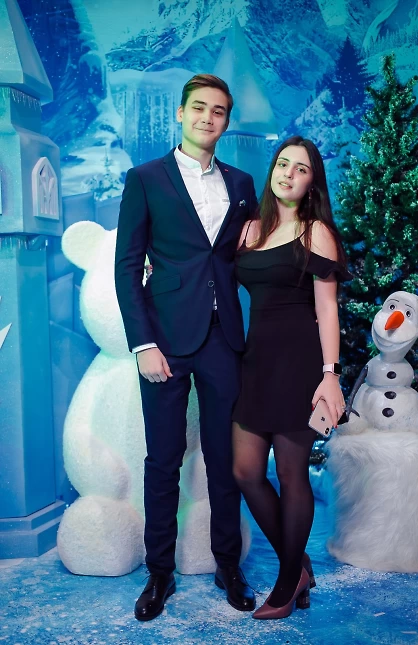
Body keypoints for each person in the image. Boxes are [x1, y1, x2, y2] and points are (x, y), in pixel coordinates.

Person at [114, 74, 258, 621]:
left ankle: (228, 565)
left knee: (224, 458)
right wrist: (142, 343)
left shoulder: (242, 183)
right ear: (181, 113)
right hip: (165, 341)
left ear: (226, 122)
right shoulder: (145, 179)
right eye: (199, 108)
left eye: (218, 111)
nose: (207, 118)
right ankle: (160, 573)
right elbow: (127, 266)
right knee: (163, 460)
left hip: (224, 338)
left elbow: (244, 257)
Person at [232, 135, 351, 620]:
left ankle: (286, 583)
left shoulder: (315, 231)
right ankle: (297, 565)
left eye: (301, 169)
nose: (289, 174)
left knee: (290, 474)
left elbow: (328, 309)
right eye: (283, 164)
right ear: (273, 170)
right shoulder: (249, 230)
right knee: (245, 471)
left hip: (301, 364)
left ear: (311, 182)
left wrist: (330, 376)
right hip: (256, 362)